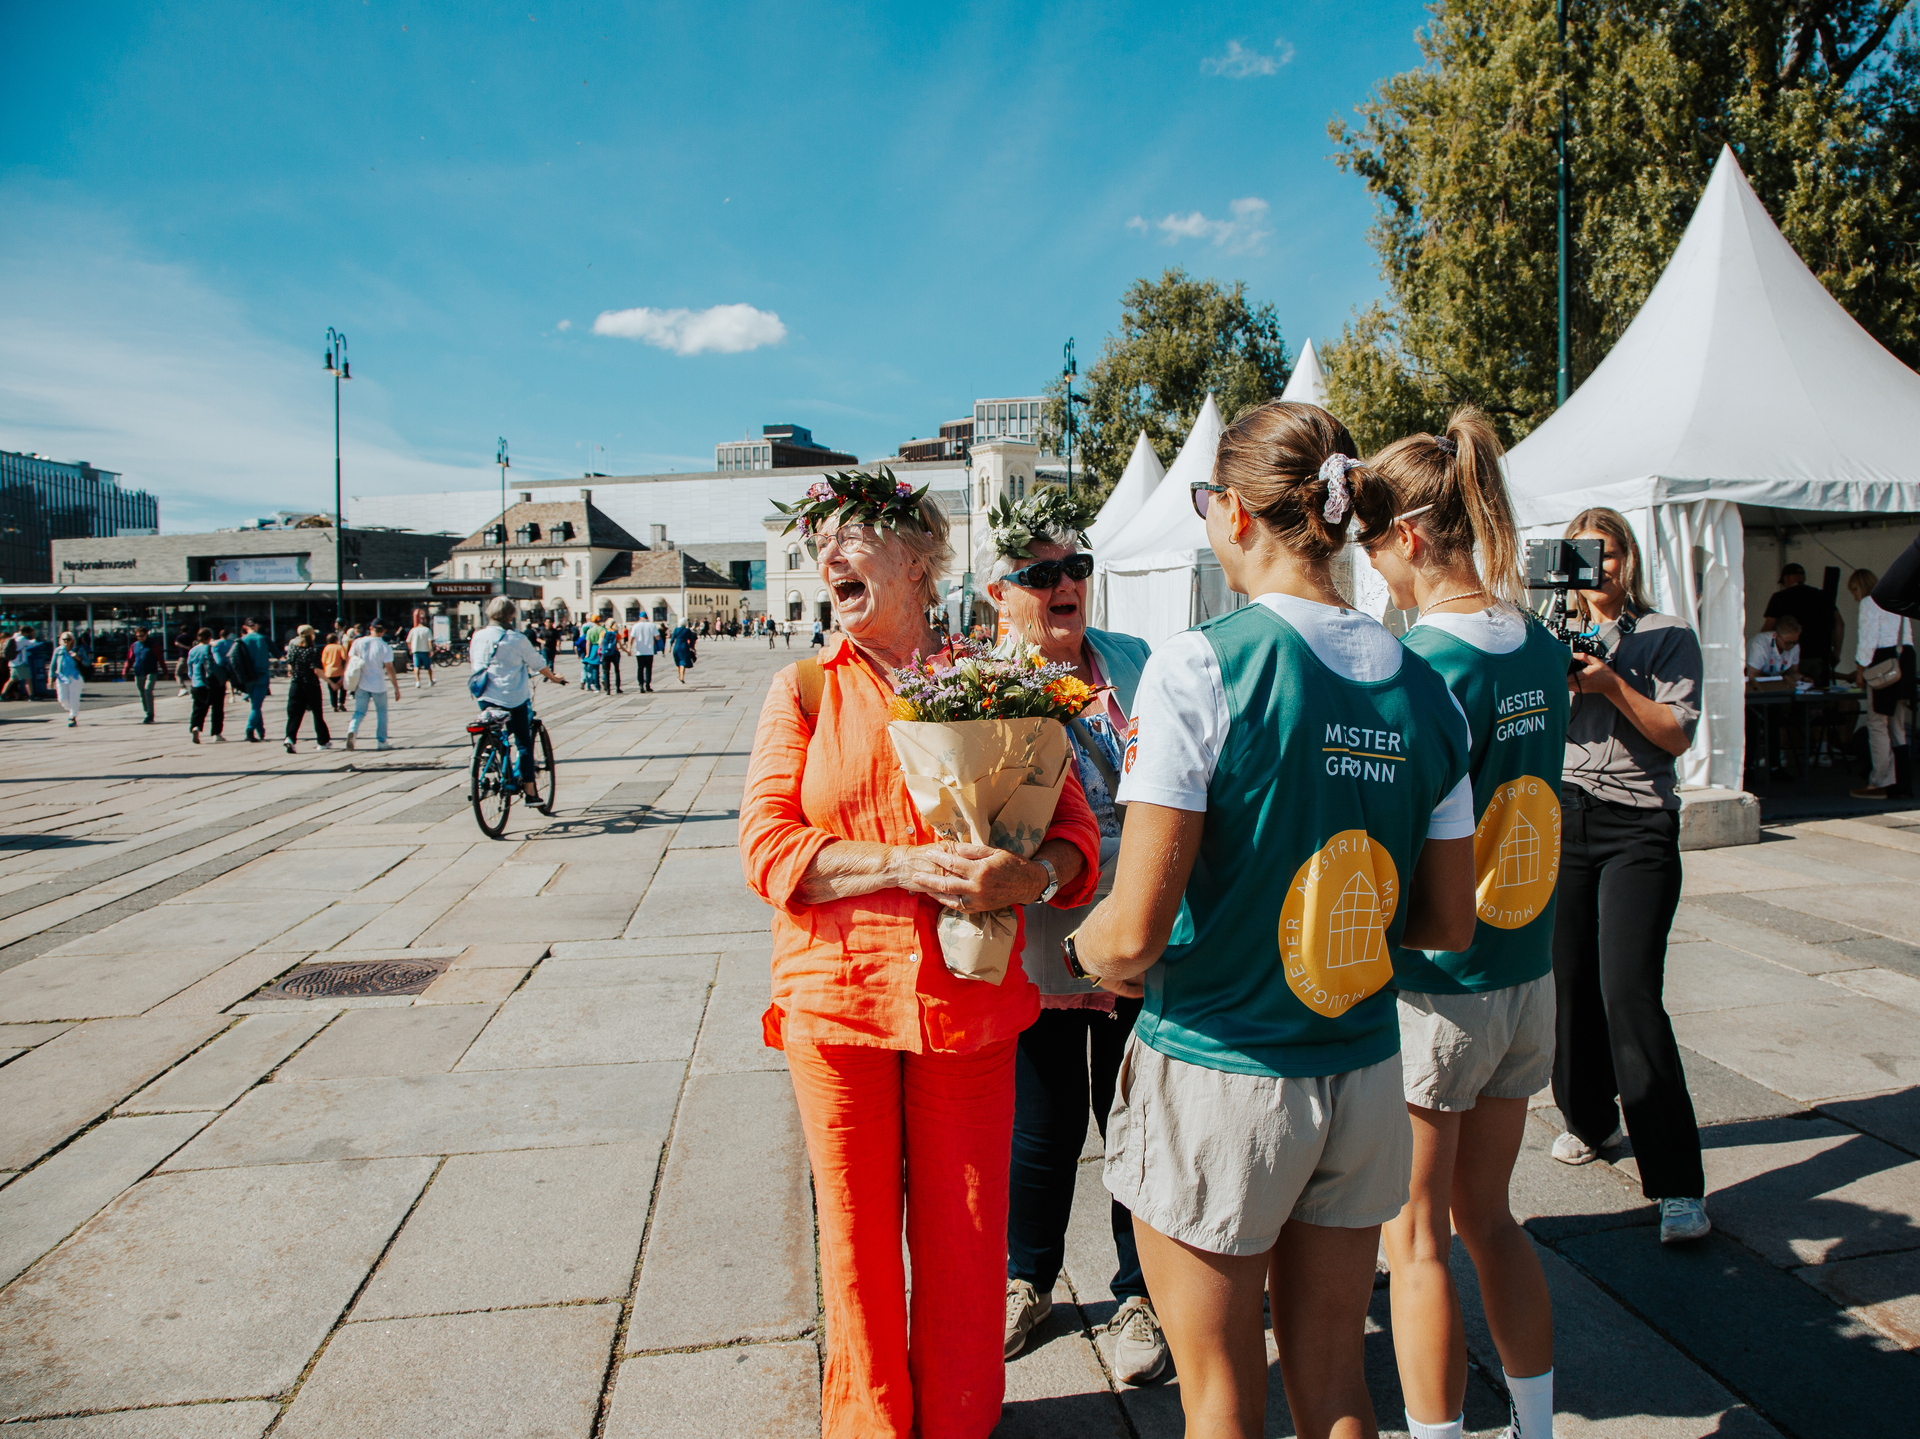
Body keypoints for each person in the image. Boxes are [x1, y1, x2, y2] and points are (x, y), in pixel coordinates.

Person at [1066, 401, 1476, 1439]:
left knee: (1219, 1398)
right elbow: (1445, 918)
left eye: (1206, 500)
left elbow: (1133, 934)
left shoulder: (1204, 663)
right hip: (1362, 1068)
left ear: (1236, 513)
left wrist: (1070, 948)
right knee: (1336, 1380)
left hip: (1222, 1068)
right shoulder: (1430, 692)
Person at [740, 471, 1101, 1439]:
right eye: (821, 541)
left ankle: (960, 1422)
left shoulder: (998, 682)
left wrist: (1018, 882)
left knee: (970, 1244)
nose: (829, 553)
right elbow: (767, 846)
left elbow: (1075, 837)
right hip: (839, 1009)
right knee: (855, 1251)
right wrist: (903, 863)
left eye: (853, 534)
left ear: (919, 560)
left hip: (967, 1012)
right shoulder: (804, 689)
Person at [1363, 410, 1567, 1439]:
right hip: (1527, 970)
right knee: (1490, 1216)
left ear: (1407, 535)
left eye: (1369, 545)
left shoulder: (1426, 664)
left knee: (1416, 1237)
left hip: (1442, 984)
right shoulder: (1539, 642)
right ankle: (1534, 1426)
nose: (1372, 573)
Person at [980, 500, 1169, 1382]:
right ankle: (1030, 1278)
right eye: (1041, 572)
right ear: (999, 593)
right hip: (1045, 926)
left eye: (1076, 566)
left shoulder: (1134, 659)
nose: (1065, 584)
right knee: (1043, 1118)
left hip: (1137, 920)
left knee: (1133, 1112)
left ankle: (1142, 1292)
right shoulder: (977, 684)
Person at [1550, 507, 1710, 1247]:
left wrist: (1612, 684)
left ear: (1630, 559)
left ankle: (1677, 1182)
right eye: (1582, 554)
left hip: (1638, 820)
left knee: (1629, 993)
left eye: (1607, 554)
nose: (1595, 569)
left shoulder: (1666, 633)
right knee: (1571, 983)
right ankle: (1587, 1116)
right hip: (1564, 814)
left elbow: (1675, 735)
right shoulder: (1548, 633)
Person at [469, 596, 568, 798]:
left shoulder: (478, 636)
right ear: (511, 615)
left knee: (496, 729)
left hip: (485, 694)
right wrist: (554, 677)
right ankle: (531, 793)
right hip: (511, 696)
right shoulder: (516, 638)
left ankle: (490, 747)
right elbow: (538, 664)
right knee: (523, 743)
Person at [1847, 568, 1913, 800]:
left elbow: (1867, 640)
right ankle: (1903, 783)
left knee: (1877, 724)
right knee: (1898, 726)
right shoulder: (1896, 600)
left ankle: (1880, 782)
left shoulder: (1869, 603)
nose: (1854, 597)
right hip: (1904, 662)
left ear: (1859, 587)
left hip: (1883, 664)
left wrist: (1859, 671)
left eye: (1853, 590)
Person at [1762, 563, 1840, 684]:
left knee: (1791, 698)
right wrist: (1836, 653)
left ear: (1786, 578)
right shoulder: (1822, 596)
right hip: (1820, 657)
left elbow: (1768, 628)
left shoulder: (1780, 597)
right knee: (1819, 697)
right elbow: (1840, 624)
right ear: (1803, 578)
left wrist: (1763, 652)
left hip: (1790, 658)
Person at [345, 619, 401, 751]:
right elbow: (389, 668)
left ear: (371, 628)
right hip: (378, 684)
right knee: (381, 712)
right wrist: (396, 687)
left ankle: (352, 730)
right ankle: (381, 741)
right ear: (384, 631)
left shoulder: (358, 642)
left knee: (359, 711)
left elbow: (351, 659)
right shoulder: (384, 646)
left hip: (362, 683)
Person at [283, 625, 332, 753]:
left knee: (294, 714)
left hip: (296, 684)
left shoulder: (294, 649)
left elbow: (290, 666)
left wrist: (295, 673)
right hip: (311, 685)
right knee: (317, 713)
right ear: (312, 635)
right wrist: (330, 682)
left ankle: (290, 738)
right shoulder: (313, 650)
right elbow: (317, 670)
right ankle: (322, 741)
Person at [234, 618, 273, 742]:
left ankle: (261, 731)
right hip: (262, 675)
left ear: (245, 627)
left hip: (248, 676)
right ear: (257, 626)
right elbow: (277, 653)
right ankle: (250, 730)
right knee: (256, 705)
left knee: (255, 704)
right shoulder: (264, 638)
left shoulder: (241, 640)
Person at [187, 627, 225, 742]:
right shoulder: (211, 648)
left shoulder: (192, 650)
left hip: (197, 683)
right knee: (217, 708)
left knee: (198, 708)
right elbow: (219, 661)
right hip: (212, 683)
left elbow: (189, 670)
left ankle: (196, 727)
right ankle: (216, 733)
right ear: (209, 637)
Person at [1746, 615, 1802, 679]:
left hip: (1777, 679)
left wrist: (1803, 678)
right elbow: (1752, 675)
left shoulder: (1795, 645)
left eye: (1795, 642)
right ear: (1777, 636)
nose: (1792, 645)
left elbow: (1793, 672)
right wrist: (1779, 683)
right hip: (1756, 678)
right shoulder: (1759, 644)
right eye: (1788, 643)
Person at [51, 632, 86, 727]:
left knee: (74, 697)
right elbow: (53, 664)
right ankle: (72, 709)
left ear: (72, 640)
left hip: (75, 676)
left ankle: (72, 716)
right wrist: (50, 677)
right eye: (64, 639)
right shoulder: (58, 651)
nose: (66, 641)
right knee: (63, 699)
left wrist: (77, 657)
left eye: (68, 639)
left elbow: (87, 662)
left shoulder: (78, 650)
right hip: (61, 676)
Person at [127, 627, 161, 723]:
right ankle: (147, 710)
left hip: (151, 671)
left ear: (146, 634)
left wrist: (165, 670)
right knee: (142, 693)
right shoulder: (134, 645)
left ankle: (150, 715)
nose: (140, 638)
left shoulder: (153, 645)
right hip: (138, 671)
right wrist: (125, 670)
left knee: (147, 691)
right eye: (138, 636)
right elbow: (130, 659)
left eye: (142, 636)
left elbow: (160, 658)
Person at [320, 630, 349, 712]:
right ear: (336, 640)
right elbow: (345, 658)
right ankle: (341, 703)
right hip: (339, 671)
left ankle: (334, 706)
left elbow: (323, 660)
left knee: (332, 690)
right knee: (343, 688)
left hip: (329, 672)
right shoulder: (340, 647)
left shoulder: (326, 648)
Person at [407, 609, 436, 688]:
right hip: (425, 650)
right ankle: (430, 680)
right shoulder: (427, 630)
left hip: (415, 650)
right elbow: (430, 641)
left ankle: (417, 682)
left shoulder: (413, 630)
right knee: (428, 667)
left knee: (416, 666)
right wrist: (431, 650)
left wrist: (410, 649)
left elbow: (408, 640)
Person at [632, 617, 658, 692]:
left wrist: (629, 648)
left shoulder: (635, 626)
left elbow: (632, 637)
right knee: (648, 669)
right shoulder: (652, 625)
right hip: (649, 651)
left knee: (640, 668)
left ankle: (640, 685)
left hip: (639, 651)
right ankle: (647, 685)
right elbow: (658, 637)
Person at [670, 619, 696, 683]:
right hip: (684, 647)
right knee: (683, 662)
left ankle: (679, 676)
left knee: (678, 662)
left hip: (677, 647)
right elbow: (691, 640)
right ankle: (681, 677)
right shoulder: (687, 630)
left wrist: (670, 647)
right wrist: (692, 647)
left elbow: (672, 639)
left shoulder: (676, 630)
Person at [605, 622, 625, 693]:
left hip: (606, 653)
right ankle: (617, 688)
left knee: (606, 672)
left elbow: (600, 643)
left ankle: (608, 689)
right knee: (617, 670)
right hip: (614, 653)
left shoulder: (603, 632)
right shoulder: (616, 634)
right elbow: (621, 645)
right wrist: (627, 651)